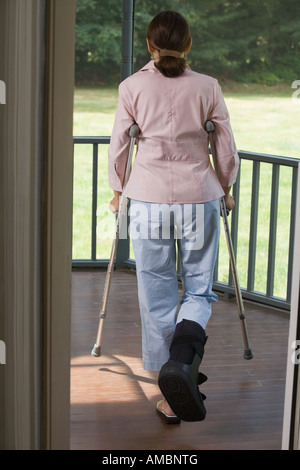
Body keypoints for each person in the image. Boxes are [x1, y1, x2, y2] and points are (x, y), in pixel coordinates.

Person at [108, 11, 239, 424]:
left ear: (149, 46)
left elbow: (119, 146)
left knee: (156, 289)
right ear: (188, 45)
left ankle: (170, 384)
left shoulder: (131, 86)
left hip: (146, 201)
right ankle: (182, 363)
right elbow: (225, 144)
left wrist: (117, 192)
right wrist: (227, 186)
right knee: (198, 289)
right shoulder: (208, 86)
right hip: (199, 197)